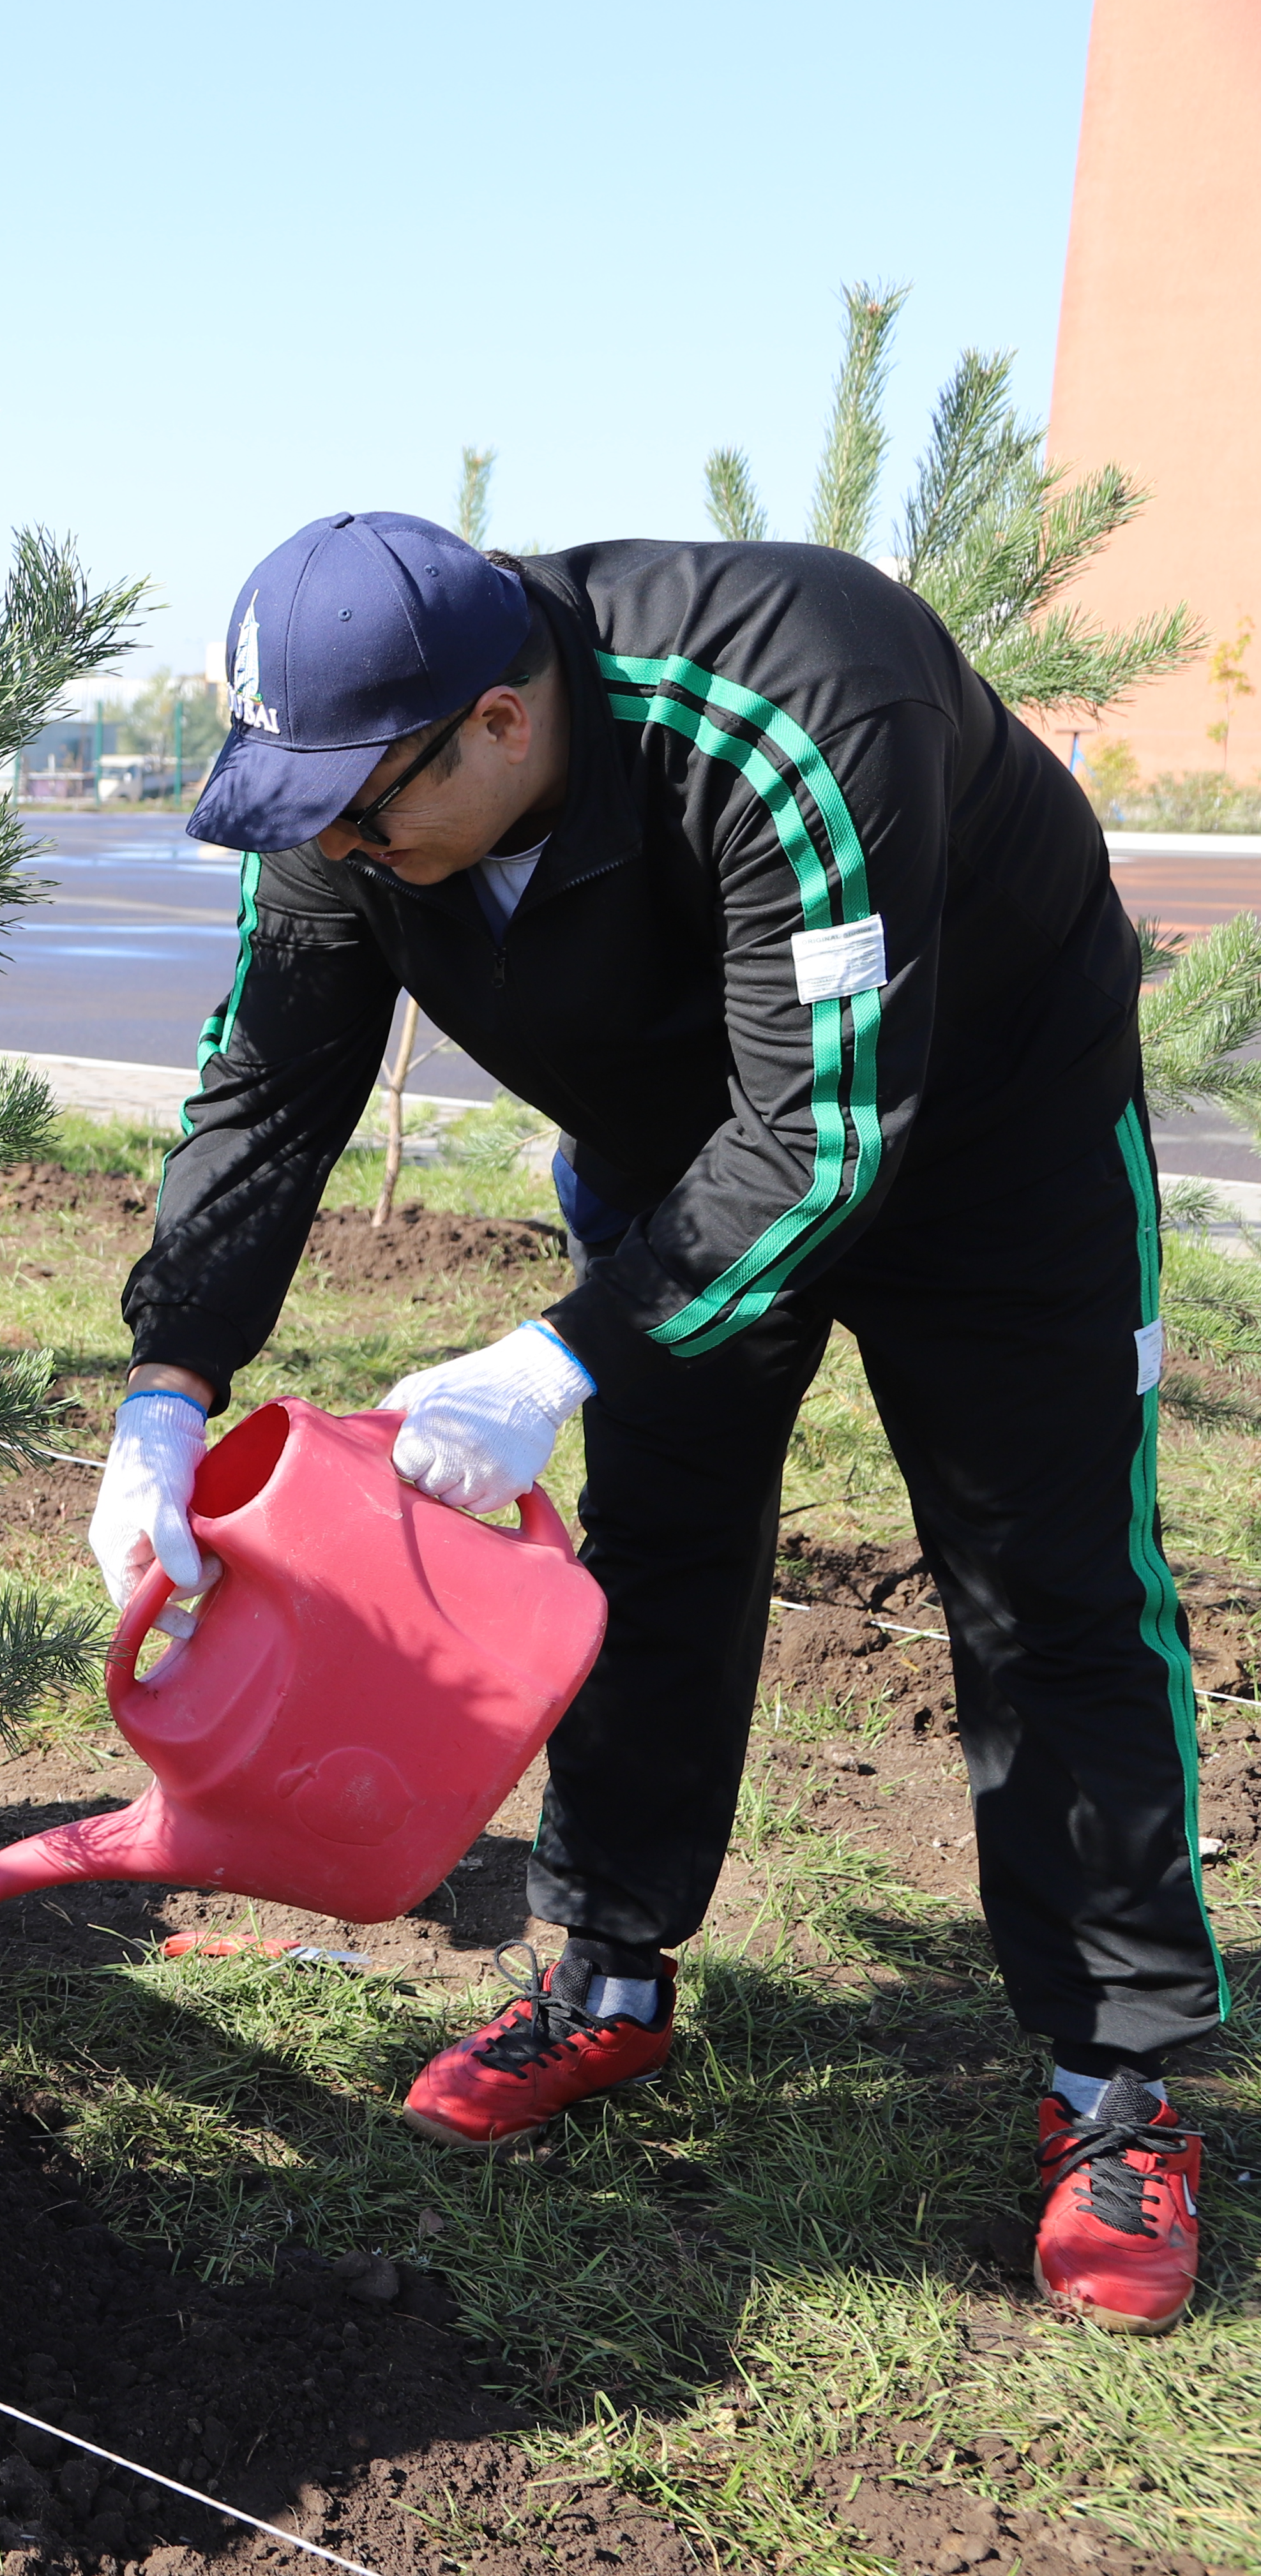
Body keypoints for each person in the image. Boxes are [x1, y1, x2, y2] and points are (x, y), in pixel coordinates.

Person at [91, 512, 1219, 2334]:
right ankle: (603, 1978)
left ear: (502, 724)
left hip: (987, 1139)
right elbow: (271, 1091)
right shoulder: (351, 796)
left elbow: (832, 1131)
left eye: (371, 810)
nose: (347, 848)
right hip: (678, 1146)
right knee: (656, 1554)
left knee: (1045, 1579)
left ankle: (1116, 2083)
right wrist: (167, 1386)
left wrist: (556, 1358)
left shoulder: (792, 694)